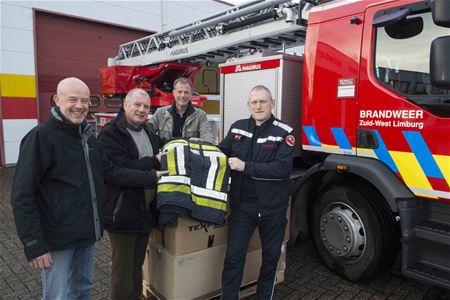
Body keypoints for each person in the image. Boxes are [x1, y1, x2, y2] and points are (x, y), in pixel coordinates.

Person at [10, 77, 166, 300]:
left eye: (85, 100)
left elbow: (111, 171)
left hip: (85, 234)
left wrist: (152, 175)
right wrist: (34, 244)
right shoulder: (40, 138)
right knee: (58, 295)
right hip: (57, 239)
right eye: (72, 99)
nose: (80, 105)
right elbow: (21, 195)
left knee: (83, 290)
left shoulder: (88, 138)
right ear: (56, 100)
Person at [219, 85, 295, 299]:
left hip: (272, 209)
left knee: (271, 259)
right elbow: (221, 152)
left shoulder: (285, 132)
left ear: (272, 103)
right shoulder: (237, 128)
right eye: (254, 102)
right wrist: (200, 147)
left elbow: (282, 169)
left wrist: (246, 166)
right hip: (242, 207)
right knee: (233, 257)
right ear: (248, 105)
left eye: (263, 101)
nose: (258, 106)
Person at [98, 88, 161, 300]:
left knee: (136, 266)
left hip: (144, 212)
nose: (142, 110)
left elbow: (158, 155)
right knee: (122, 272)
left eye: (146, 106)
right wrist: (153, 171)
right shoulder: (111, 133)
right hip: (122, 212)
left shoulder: (149, 130)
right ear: (125, 104)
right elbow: (119, 171)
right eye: (137, 105)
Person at [149, 77, 214, 144]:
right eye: (180, 92)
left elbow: (208, 139)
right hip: (166, 154)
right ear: (174, 92)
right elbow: (147, 134)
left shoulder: (200, 115)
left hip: (189, 154)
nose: (183, 95)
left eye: (186, 92)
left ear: (191, 93)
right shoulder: (160, 113)